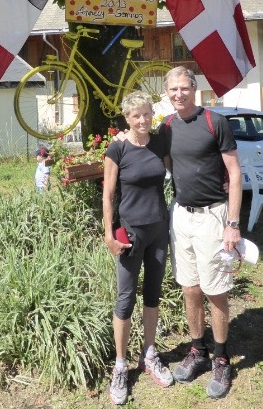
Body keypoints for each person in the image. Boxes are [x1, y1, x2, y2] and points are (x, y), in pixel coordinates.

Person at [160, 66, 242, 399]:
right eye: (172, 90)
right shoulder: (166, 127)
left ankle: (221, 358)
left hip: (213, 216)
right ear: (166, 93)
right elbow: (167, 164)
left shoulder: (214, 122)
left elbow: (234, 174)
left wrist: (232, 223)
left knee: (215, 290)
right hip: (181, 216)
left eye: (184, 88)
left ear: (194, 88)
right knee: (189, 287)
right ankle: (198, 350)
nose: (178, 94)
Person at [103, 91, 174, 406]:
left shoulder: (160, 143)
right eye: (137, 116)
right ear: (127, 119)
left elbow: (181, 165)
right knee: (125, 298)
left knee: (153, 293)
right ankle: (120, 364)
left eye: (147, 114)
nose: (143, 120)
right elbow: (107, 195)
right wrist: (108, 234)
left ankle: (149, 352)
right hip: (129, 234)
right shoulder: (117, 148)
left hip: (159, 229)